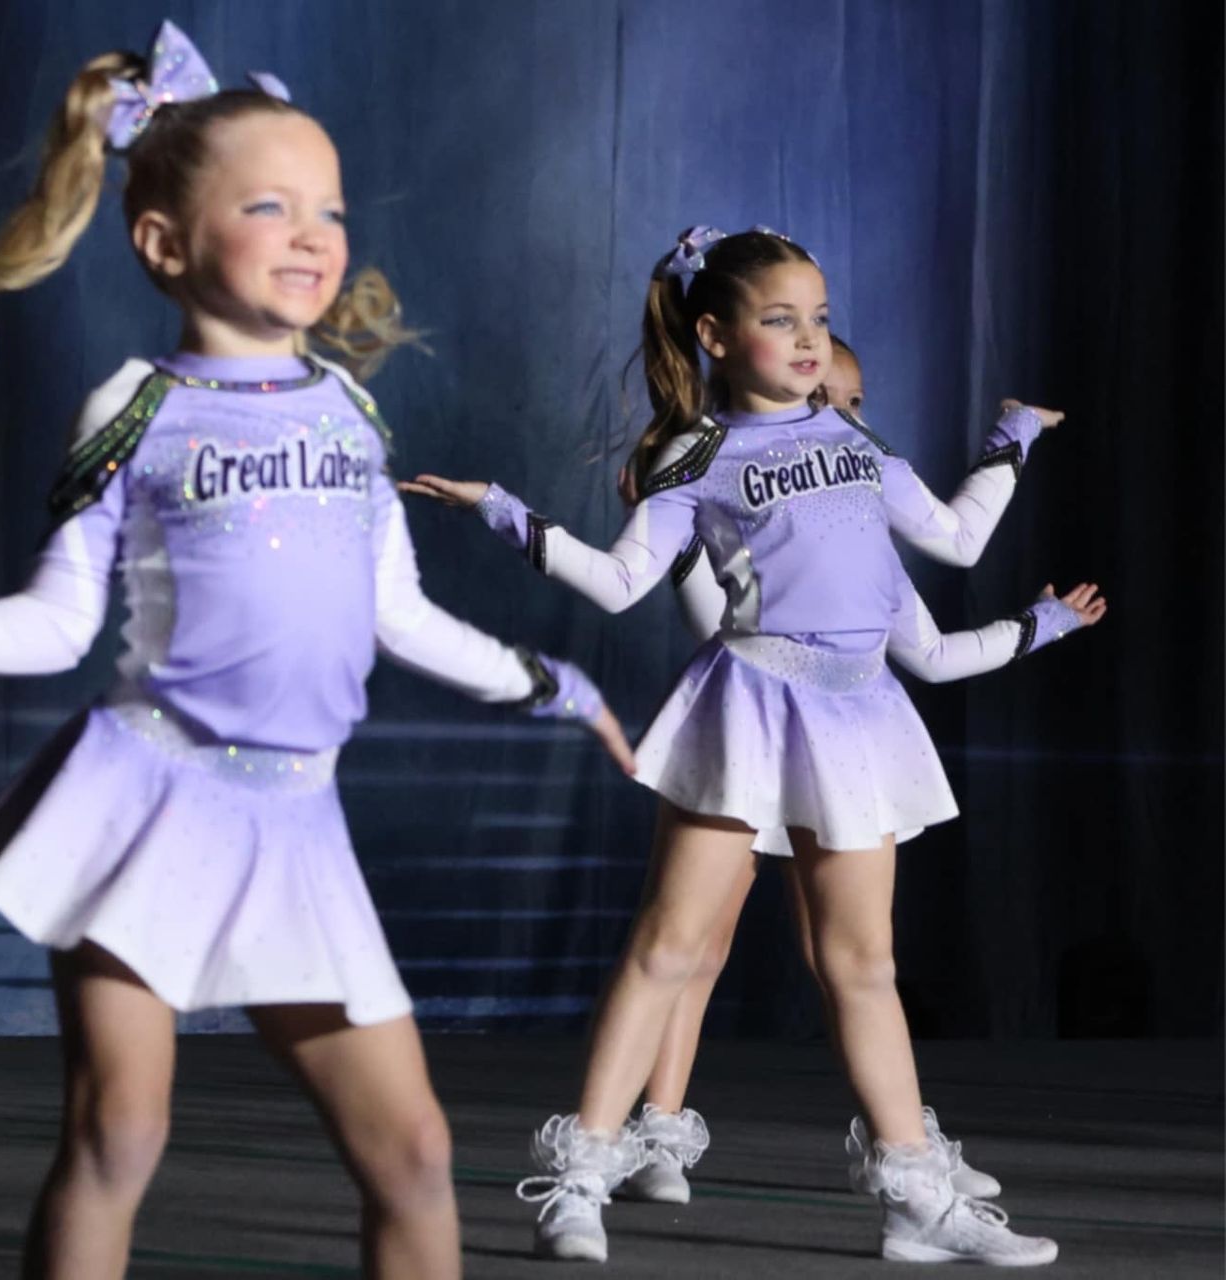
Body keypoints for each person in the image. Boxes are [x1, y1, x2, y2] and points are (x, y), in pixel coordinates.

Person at [0, 22, 633, 1278]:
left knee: (417, 1156)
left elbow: (401, 616)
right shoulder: (136, 408)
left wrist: (553, 679)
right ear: (163, 242)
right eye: (267, 206)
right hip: (153, 796)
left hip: (302, 818)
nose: (313, 234)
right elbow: (58, 621)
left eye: (326, 208)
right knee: (119, 1131)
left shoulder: (351, 407)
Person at [402, 226, 1102, 1265]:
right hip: (754, 703)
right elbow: (618, 582)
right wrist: (505, 512)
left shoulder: (860, 444)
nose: (810, 338)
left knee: (864, 962)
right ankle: (580, 1175)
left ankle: (915, 1195)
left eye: (819, 317)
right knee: (671, 945)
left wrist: (1011, 445)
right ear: (715, 334)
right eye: (782, 320)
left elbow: (956, 540)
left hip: (860, 713)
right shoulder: (698, 456)